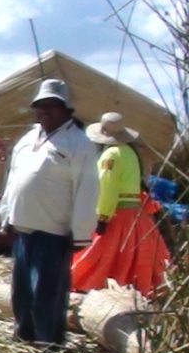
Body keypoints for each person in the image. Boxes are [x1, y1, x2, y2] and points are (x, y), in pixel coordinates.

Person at [0, 79, 99, 349]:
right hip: (22, 227)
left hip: (54, 231)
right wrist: (7, 215)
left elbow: (87, 191)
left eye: (51, 106)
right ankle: (25, 334)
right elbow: (13, 178)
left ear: (66, 110)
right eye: (39, 106)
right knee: (21, 289)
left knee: (47, 291)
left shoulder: (79, 144)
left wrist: (80, 232)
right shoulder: (28, 138)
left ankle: (49, 340)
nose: (43, 112)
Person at [70, 112, 170, 296]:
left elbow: (107, 186)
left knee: (99, 253)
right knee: (133, 255)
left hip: (117, 214)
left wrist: (102, 217)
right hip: (136, 215)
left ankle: (89, 284)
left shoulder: (111, 155)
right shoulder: (130, 152)